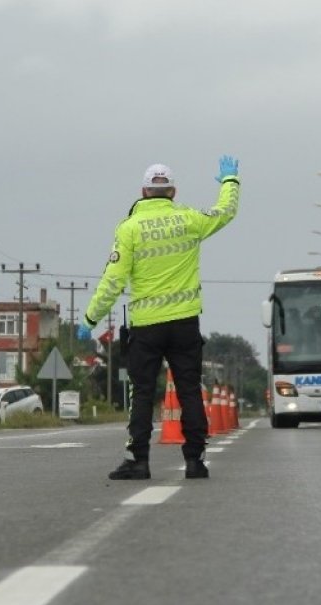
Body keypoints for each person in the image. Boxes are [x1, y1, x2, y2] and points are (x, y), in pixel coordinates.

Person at [79, 156, 240, 480]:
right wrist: (229, 183)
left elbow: (113, 280)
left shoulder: (129, 229)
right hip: (184, 323)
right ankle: (195, 460)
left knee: (142, 393)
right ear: (173, 192)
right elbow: (225, 213)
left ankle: (138, 460)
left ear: (143, 191)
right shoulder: (189, 219)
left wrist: (90, 319)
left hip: (147, 326)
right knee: (189, 390)